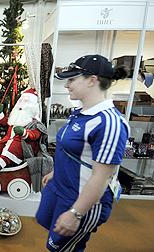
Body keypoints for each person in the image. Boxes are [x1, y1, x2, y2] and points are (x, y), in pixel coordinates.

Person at [36, 54, 129, 251]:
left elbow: (101, 177)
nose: (67, 85)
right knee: (54, 242)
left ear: (92, 80)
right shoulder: (80, 114)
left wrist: (76, 213)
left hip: (79, 200)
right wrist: (56, 172)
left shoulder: (109, 123)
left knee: (63, 248)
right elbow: (76, 152)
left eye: (72, 79)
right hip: (61, 189)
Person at [0, 88, 42, 171]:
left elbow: (35, 135)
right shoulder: (15, 116)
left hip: (22, 145)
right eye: (21, 101)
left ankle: (0, 164)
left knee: (14, 146)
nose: (22, 104)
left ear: (33, 106)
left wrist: (24, 132)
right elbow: (6, 122)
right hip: (9, 139)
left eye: (26, 101)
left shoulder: (34, 122)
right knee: (1, 143)